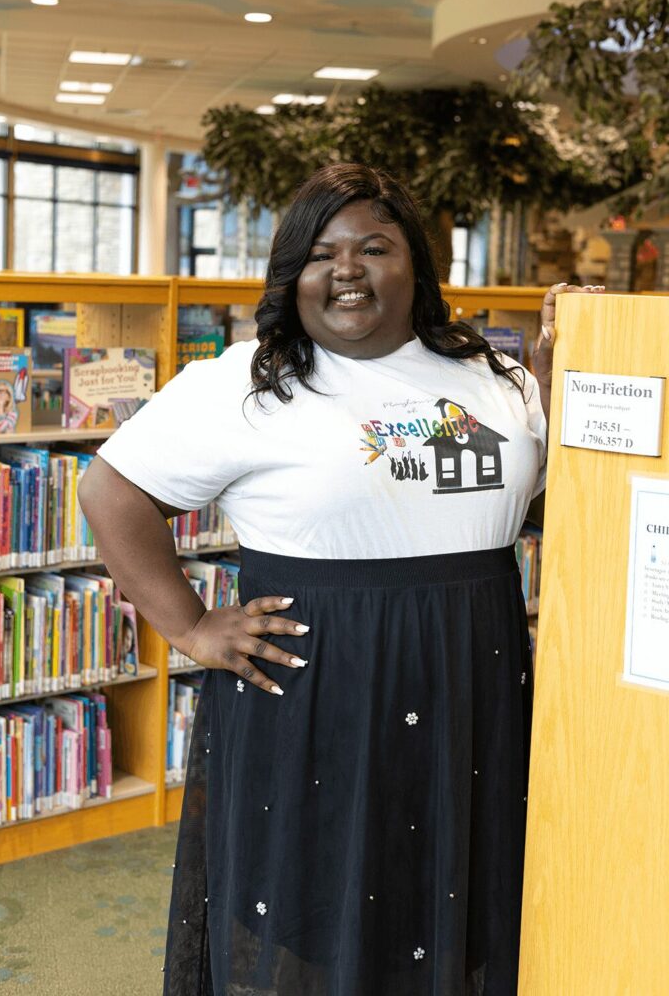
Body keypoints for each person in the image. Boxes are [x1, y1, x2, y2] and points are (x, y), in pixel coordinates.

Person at [78, 164, 603, 996]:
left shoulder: (492, 377)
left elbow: (545, 490)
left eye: (375, 248)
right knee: (322, 921)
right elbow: (111, 491)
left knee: (460, 908)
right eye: (322, 254)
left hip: (472, 688)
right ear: (294, 274)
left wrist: (565, 374)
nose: (347, 270)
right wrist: (192, 627)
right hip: (317, 696)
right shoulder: (244, 382)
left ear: (416, 263)